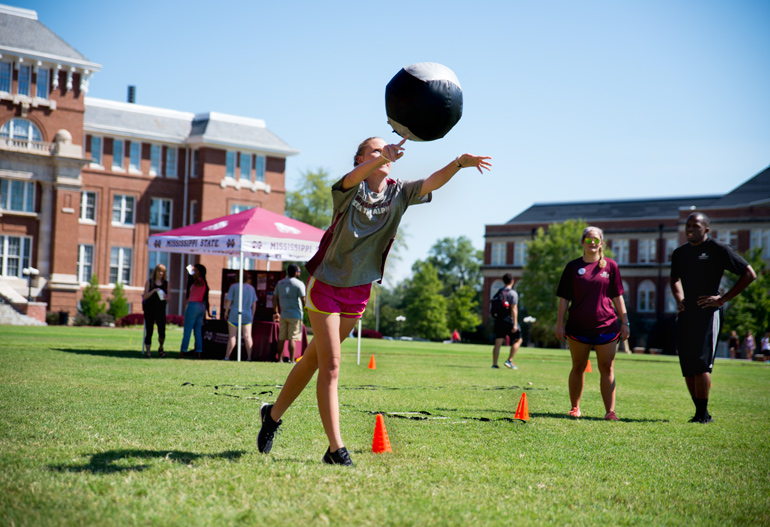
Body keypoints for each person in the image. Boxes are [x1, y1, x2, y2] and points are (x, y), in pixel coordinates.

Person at [257, 136, 491, 466]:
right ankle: (336, 450)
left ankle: (272, 416)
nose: (385, 154)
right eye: (376, 150)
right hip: (325, 282)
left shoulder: (399, 192)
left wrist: (459, 163)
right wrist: (379, 161)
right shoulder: (349, 189)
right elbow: (352, 178)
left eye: (386, 151)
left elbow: (431, 182)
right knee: (333, 366)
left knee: (313, 360)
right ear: (361, 159)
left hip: (358, 289)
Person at [670, 212, 756, 423]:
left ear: (706, 229)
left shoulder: (718, 249)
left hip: (709, 314)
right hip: (687, 314)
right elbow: (674, 279)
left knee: (701, 365)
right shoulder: (680, 253)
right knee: (688, 367)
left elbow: (749, 274)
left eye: (695, 226)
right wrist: (679, 298)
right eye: (687, 226)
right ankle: (700, 412)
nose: (690, 229)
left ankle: (703, 414)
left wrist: (722, 299)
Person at [555, 226, 630, 420]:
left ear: (602, 243)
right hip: (578, 326)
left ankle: (610, 412)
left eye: (596, 239)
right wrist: (559, 324)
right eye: (588, 240)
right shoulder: (572, 267)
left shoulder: (611, 266)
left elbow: (617, 296)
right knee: (578, 366)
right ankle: (575, 408)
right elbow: (564, 298)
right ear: (582, 243)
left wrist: (625, 321)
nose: (592, 243)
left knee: (607, 367)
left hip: (607, 326)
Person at [273, 264, 307, 363]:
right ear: (296, 272)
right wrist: (307, 310)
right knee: (292, 338)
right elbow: (303, 299)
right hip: (295, 315)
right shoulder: (299, 284)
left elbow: (274, 297)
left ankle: (279, 360)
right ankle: (292, 360)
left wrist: (275, 311)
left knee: (281, 338)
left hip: (283, 313)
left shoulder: (280, 283)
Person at [223, 272, 258, 361]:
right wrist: (252, 315)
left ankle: (227, 357)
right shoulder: (251, 288)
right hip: (247, 315)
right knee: (247, 336)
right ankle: (249, 357)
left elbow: (228, 301)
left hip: (234, 314)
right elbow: (254, 304)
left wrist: (226, 312)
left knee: (232, 336)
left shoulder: (234, 287)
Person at [490, 273, 522, 369]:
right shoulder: (512, 293)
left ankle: (494, 364)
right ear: (512, 281)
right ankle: (509, 360)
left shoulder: (499, 292)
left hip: (498, 320)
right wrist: (515, 324)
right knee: (519, 339)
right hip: (509, 320)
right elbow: (514, 308)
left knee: (498, 343)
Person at [179, 264, 210, 359]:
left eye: (196, 270)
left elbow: (196, 278)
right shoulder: (204, 282)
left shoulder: (199, 281)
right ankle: (199, 352)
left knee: (187, 331)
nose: (194, 272)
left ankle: (182, 352)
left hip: (193, 306)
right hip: (201, 307)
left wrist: (191, 269)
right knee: (197, 332)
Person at [142, 263, 168, 358]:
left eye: (163, 272)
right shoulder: (149, 282)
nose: (161, 273)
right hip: (150, 310)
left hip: (161, 310)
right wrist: (154, 291)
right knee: (149, 331)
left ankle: (161, 347)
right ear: (155, 271)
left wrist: (166, 297)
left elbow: (169, 298)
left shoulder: (166, 283)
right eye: (159, 271)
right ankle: (148, 352)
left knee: (162, 332)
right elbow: (145, 296)